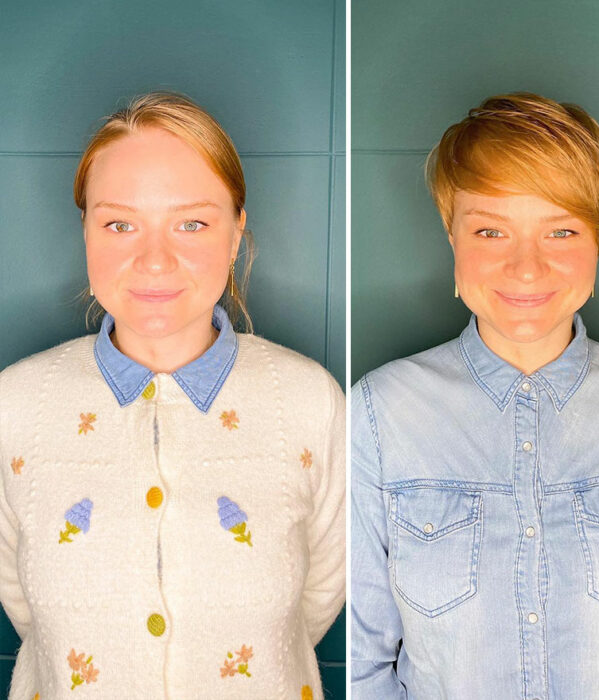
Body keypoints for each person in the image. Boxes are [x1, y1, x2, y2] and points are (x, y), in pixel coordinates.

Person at [351, 93, 599, 698]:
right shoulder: (379, 413)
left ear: (598, 240)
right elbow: (363, 663)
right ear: (451, 235)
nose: (527, 268)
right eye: (490, 229)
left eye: (561, 230)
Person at [0, 92, 345, 700]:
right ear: (86, 230)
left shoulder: (309, 401)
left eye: (192, 223)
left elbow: (313, 605)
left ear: (236, 232)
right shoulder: (17, 404)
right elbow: (27, 608)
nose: (154, 260)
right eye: (120, 223)